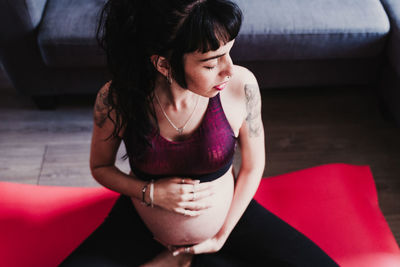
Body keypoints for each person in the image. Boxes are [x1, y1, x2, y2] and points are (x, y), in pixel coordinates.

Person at [61, 0, 340, 266]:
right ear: (163, 65)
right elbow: (100, 167)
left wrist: (221, 235)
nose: (229, 70)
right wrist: (151, 192)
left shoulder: (241, 86)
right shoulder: (117, 98)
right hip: (143, 220)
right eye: (211, 63)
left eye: (229, 52)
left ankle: (196, 258)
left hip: (229, 221)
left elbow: (254, 165)